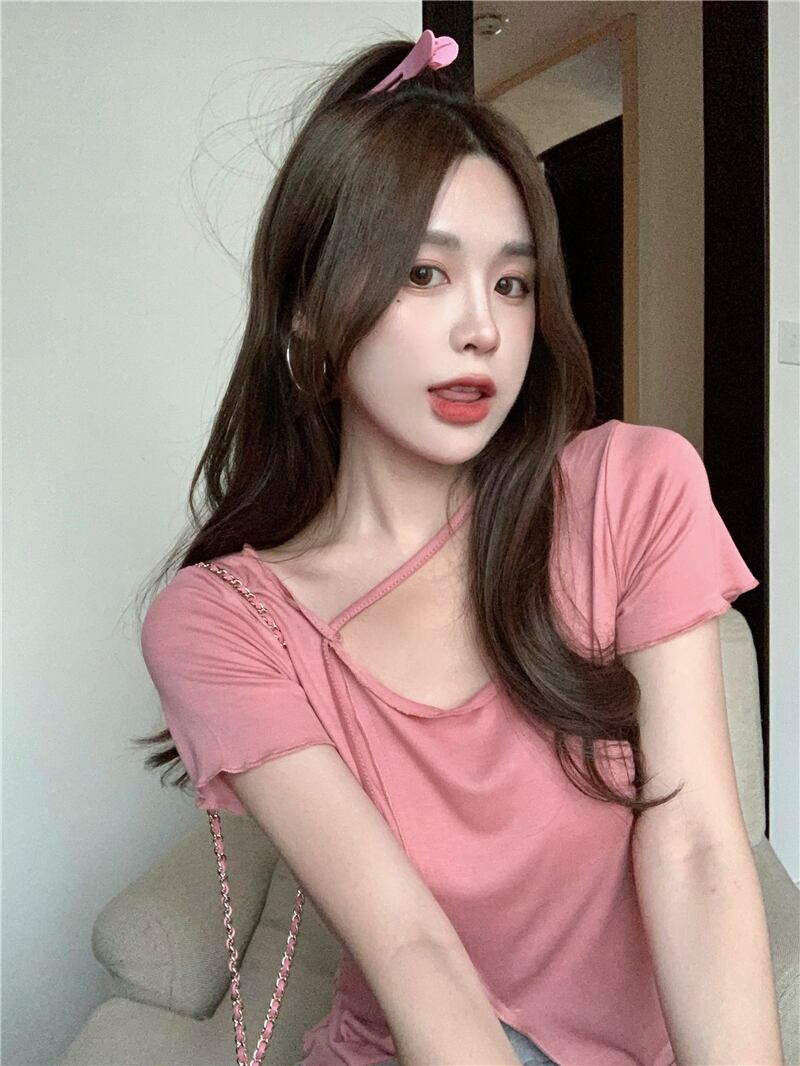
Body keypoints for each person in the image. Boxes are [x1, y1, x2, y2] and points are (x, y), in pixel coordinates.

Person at [135, 29, 784, 1066]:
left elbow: (700, 847)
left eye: (512, 284)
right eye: (424, 273)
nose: (482, 327)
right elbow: (410, 945)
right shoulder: (224, 621)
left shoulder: (630, 490)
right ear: (308, 315)